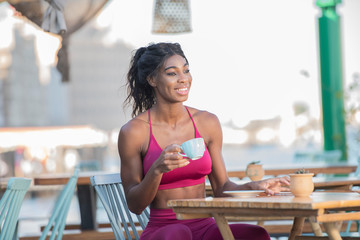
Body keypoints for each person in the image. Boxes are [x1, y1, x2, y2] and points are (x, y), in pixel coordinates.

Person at [118, 42, 290, 240]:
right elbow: (135, 205)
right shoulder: (134, 132)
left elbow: (222, 189)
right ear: (152, 79)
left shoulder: (207, 123)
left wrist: (256, 186)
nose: (183, 79)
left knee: (255, 234)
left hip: (206, 226)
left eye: (186, 70)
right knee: (179, 234)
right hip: (163, 231)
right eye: (172, 73)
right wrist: (157, 170)